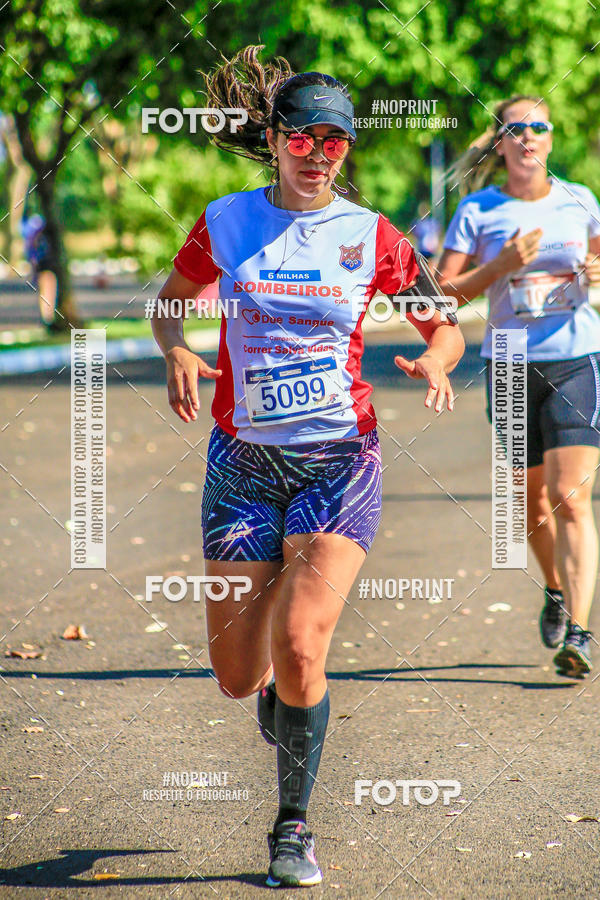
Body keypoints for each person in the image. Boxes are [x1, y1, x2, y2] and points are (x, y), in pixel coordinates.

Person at [152, 45, 464, 888]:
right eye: (305, 138)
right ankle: (277, 704)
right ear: (275, 139)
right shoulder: (225, 220)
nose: (320, 154)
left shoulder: (370, 235)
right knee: (237, 673)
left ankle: (292, 826)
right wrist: (177, 348)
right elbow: (169, 301)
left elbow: (445, 321)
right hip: (243, 465)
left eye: (336, 141)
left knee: (300, 646)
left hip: (339, 460)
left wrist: (438, 357)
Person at [436, 94, 600, 679]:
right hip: (507, 361)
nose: (528, 136)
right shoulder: (478, 212)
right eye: (516, 128)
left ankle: (579, 631)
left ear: (551, 138)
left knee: (571, 496)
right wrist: (499, 265)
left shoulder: (581, 200)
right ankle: (555, 587)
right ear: (500, 143)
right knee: (530, 504)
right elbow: (442, 293)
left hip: (575, 357)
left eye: (539, 126)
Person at [20, 211, 58, 330]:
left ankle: (47, 316)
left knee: (46, 290)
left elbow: (31, 254)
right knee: (47, 289)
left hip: (43, 265)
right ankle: (47, 316)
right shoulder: (44, 234)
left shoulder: (35, 234)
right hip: (46, 265)